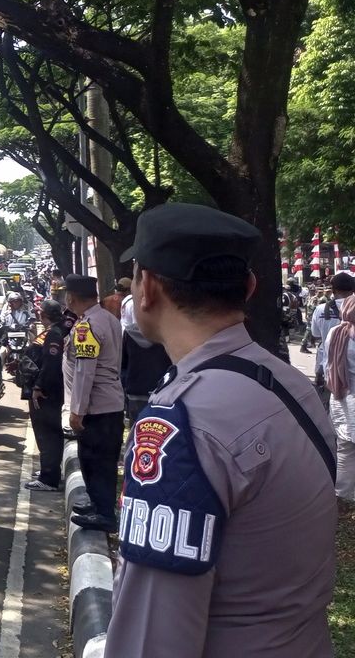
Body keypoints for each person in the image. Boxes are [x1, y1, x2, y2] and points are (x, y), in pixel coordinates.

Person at [106, 202, 337, 657]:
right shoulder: (290, 384)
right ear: (249, 287)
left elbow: (154, 633)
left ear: (146, 288)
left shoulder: (180, 424)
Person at [63, 274, 125, 533]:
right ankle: (101, 505)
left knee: (94, 460)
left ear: (71, 297)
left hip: (96, 407)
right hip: (111, 403)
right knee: (105, 461)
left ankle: (103, 513)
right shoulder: (108, 319)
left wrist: (77, 410)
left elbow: (84, 372)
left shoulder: (86, 328)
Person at [25, 300, 67, 492]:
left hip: (46, 393)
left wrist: (39, 386)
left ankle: (49, 478)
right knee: (47, 433)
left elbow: (51, 363)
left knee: (47, 433)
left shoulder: (54, 334)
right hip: (47, 390)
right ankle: (48, 470)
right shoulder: (54, 331)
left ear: (45, 315)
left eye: (40, 313)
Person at [119, 293, 172, 425]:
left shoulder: (129, 333)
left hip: (135, 389)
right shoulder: (166, 333)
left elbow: (123, 364)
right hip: (161, 391)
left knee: (137, 433)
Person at [322, 296, 355, 504]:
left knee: (345, 448)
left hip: (340, 396)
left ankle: (342, 496)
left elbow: (326, 363)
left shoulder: (336, 332)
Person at [313, 272, 355, 404]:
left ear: (333, 289)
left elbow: (315, 334)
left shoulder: (320, 310)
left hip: (327, 370)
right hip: (351, 376)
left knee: (328, 413)